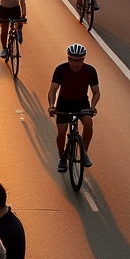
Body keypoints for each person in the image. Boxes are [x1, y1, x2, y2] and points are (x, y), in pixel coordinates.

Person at [48, 43, 100, 173]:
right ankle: (62, 158)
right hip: (64, 103)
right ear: (68, 58)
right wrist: (52, 106)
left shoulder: (90, 71)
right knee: (62, 131)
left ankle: (84, 153)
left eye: (78, 61)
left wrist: (93, 107)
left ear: (83, 59)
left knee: (88, 123)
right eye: (71, 60)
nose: (75, 64)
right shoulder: (61, 69)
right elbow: (53, 90)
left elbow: (96, 92)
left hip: (81, 103)